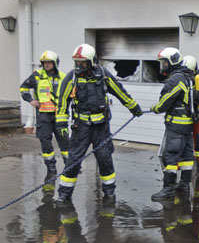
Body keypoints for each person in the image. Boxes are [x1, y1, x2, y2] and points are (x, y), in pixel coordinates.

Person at [55, 44, 143, 202]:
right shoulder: (72, 78)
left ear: (91, 61)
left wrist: (134, 107)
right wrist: (61, 123)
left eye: (82, 62)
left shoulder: (103, 74)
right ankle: (64, 193)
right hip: (80, 126)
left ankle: (109, 191)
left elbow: (119, 91)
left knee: (104, 158)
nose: (79, 65)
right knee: (73, 160)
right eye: (77, 62)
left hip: (101, 127)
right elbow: (62, 101)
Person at [150, 47, 195, 201]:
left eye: (164, 62)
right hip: (188, 125)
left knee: (171, 157)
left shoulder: (176, 79)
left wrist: (155, 109)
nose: (162, 66)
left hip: (176, 125)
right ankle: (184, 185)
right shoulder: (188, 77)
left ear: (171, 62)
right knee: (187, 156)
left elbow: (164, 102)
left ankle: (168, 189)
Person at [20, 50, 69, 179]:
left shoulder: (63, 77)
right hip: (43, 116)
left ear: (55, 63)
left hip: (59, 115)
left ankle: (70, 166)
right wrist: (31, 100)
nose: (46, 64)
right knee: (45, 141)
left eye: (49, 62)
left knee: (64, 141)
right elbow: (23, 87)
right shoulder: (37, 75)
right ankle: (51, 167)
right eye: (44, 62)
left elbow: (70, 93)